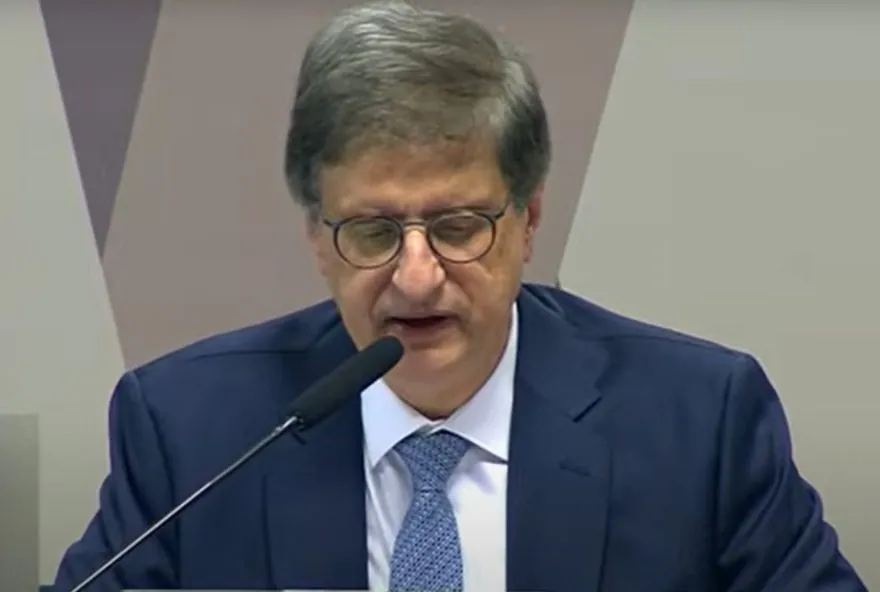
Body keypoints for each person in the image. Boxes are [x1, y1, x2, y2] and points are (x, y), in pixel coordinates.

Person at [49, 2, 866, 591]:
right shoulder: (193, 430)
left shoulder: (697, 421)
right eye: (373, 232)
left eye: (457, 226)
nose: (416, 276)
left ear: (528, 221)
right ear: (316, 238)